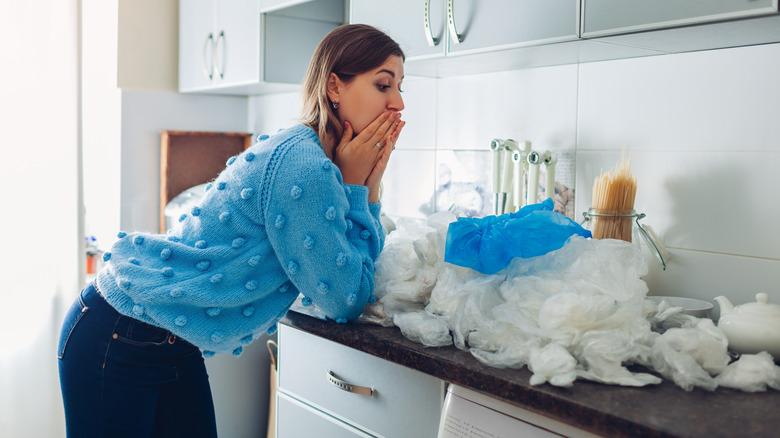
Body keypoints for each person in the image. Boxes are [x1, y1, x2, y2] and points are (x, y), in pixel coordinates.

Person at [58, 23, 405, 437]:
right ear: (334, 86)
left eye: (401, 87)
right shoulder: (305, 167)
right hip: (119, 334)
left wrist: (366, 183)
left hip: (161, 337)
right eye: (384, 85)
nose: (398, 103)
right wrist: (363, 188)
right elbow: (346, 297)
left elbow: (345, 282)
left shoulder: (311, 155)